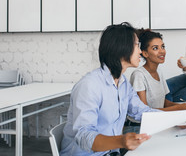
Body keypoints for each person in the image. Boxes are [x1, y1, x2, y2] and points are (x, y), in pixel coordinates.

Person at [60, 23, 159, 156]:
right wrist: (121, 141)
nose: (141, 51)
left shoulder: (123, 84)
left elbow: (141, 112)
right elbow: (84, 136)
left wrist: (176, 119)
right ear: (122, 47)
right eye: (137, 45)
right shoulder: (90, 85)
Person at [130, 29, 186, 111]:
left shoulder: (159, 72)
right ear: (145, 53)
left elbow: (164, 103)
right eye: (155, 48)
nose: (162, 51)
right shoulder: (139, 75)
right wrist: (178, 108)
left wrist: (184, 107)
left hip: (159, 119)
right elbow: (144, 112)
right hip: (141, 123)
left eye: (162, 47)